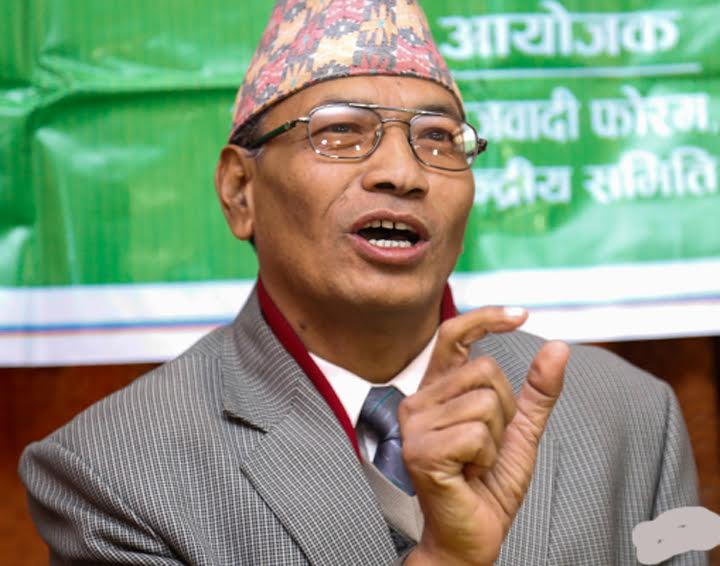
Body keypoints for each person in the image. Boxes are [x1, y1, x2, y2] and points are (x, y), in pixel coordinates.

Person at [19, 1, 706, 564]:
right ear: (239, 190)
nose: (403, 173)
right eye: (341, 132)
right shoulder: (113, 471)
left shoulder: (631, 417)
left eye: (438, 138)